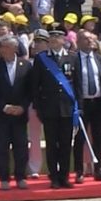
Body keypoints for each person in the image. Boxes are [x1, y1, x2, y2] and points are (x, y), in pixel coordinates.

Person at [32, 29, 81, 189]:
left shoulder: (73, 57)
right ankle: (53, 176)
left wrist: (78, 106)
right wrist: (39, 107)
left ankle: (64, 176)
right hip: (49, 108)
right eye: (51, 37)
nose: (54, 39)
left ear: (63, 40)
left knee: (66, 144)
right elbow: (35, 86)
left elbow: (78, 84)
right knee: (52, 145)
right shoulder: (42, 59)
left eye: (57, 36)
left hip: (67, 108)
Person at [0, 35, 33, 190]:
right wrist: (4, 106)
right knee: (2, 148)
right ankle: (4, 178)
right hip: (1, 115)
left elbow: (30, 90)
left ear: (14, 48)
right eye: (1, 47)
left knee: (21, 148)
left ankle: (20, 177)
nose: (3, 50)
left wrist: (23, 106)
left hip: (20, 115)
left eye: (6, 47)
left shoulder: (26, 66)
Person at [73, 31, 101, 182]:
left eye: (92, 39)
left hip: (98, 102)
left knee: (98, 137)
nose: (90, 41)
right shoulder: (74, 59)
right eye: (86, 39)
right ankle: (79, 171)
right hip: (82, 103)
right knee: (80, 138)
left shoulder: (100, 60)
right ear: (79, 42)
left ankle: (99, 169)